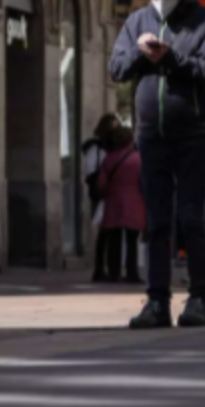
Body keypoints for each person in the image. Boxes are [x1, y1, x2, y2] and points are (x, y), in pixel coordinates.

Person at [109, 0, 205, 330]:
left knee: (191, 216)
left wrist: (172, 58)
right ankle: (157, 300)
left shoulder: (202, 21)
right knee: (156, 219)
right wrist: (142, 56)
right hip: (150, 136)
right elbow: (116, 67)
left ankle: (198, 299)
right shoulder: (138, 20)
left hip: (192, 133)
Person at [97, 124, 143, 284]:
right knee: (132, 240)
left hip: (113, 202)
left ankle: (113, 272)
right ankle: (132, 273)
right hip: (134, 202)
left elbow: (101, 183)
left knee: (113, 240)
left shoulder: (108, 159)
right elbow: (144, 182)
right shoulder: (138, 159)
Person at [85, 113, 122, 283]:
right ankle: (100, 269)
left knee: (114, 233)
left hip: (114, 191)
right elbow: (90, 170)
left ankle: (113, 269)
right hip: (102, 192)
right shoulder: (95, 147)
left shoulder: (115, 148)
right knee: (104, 233)